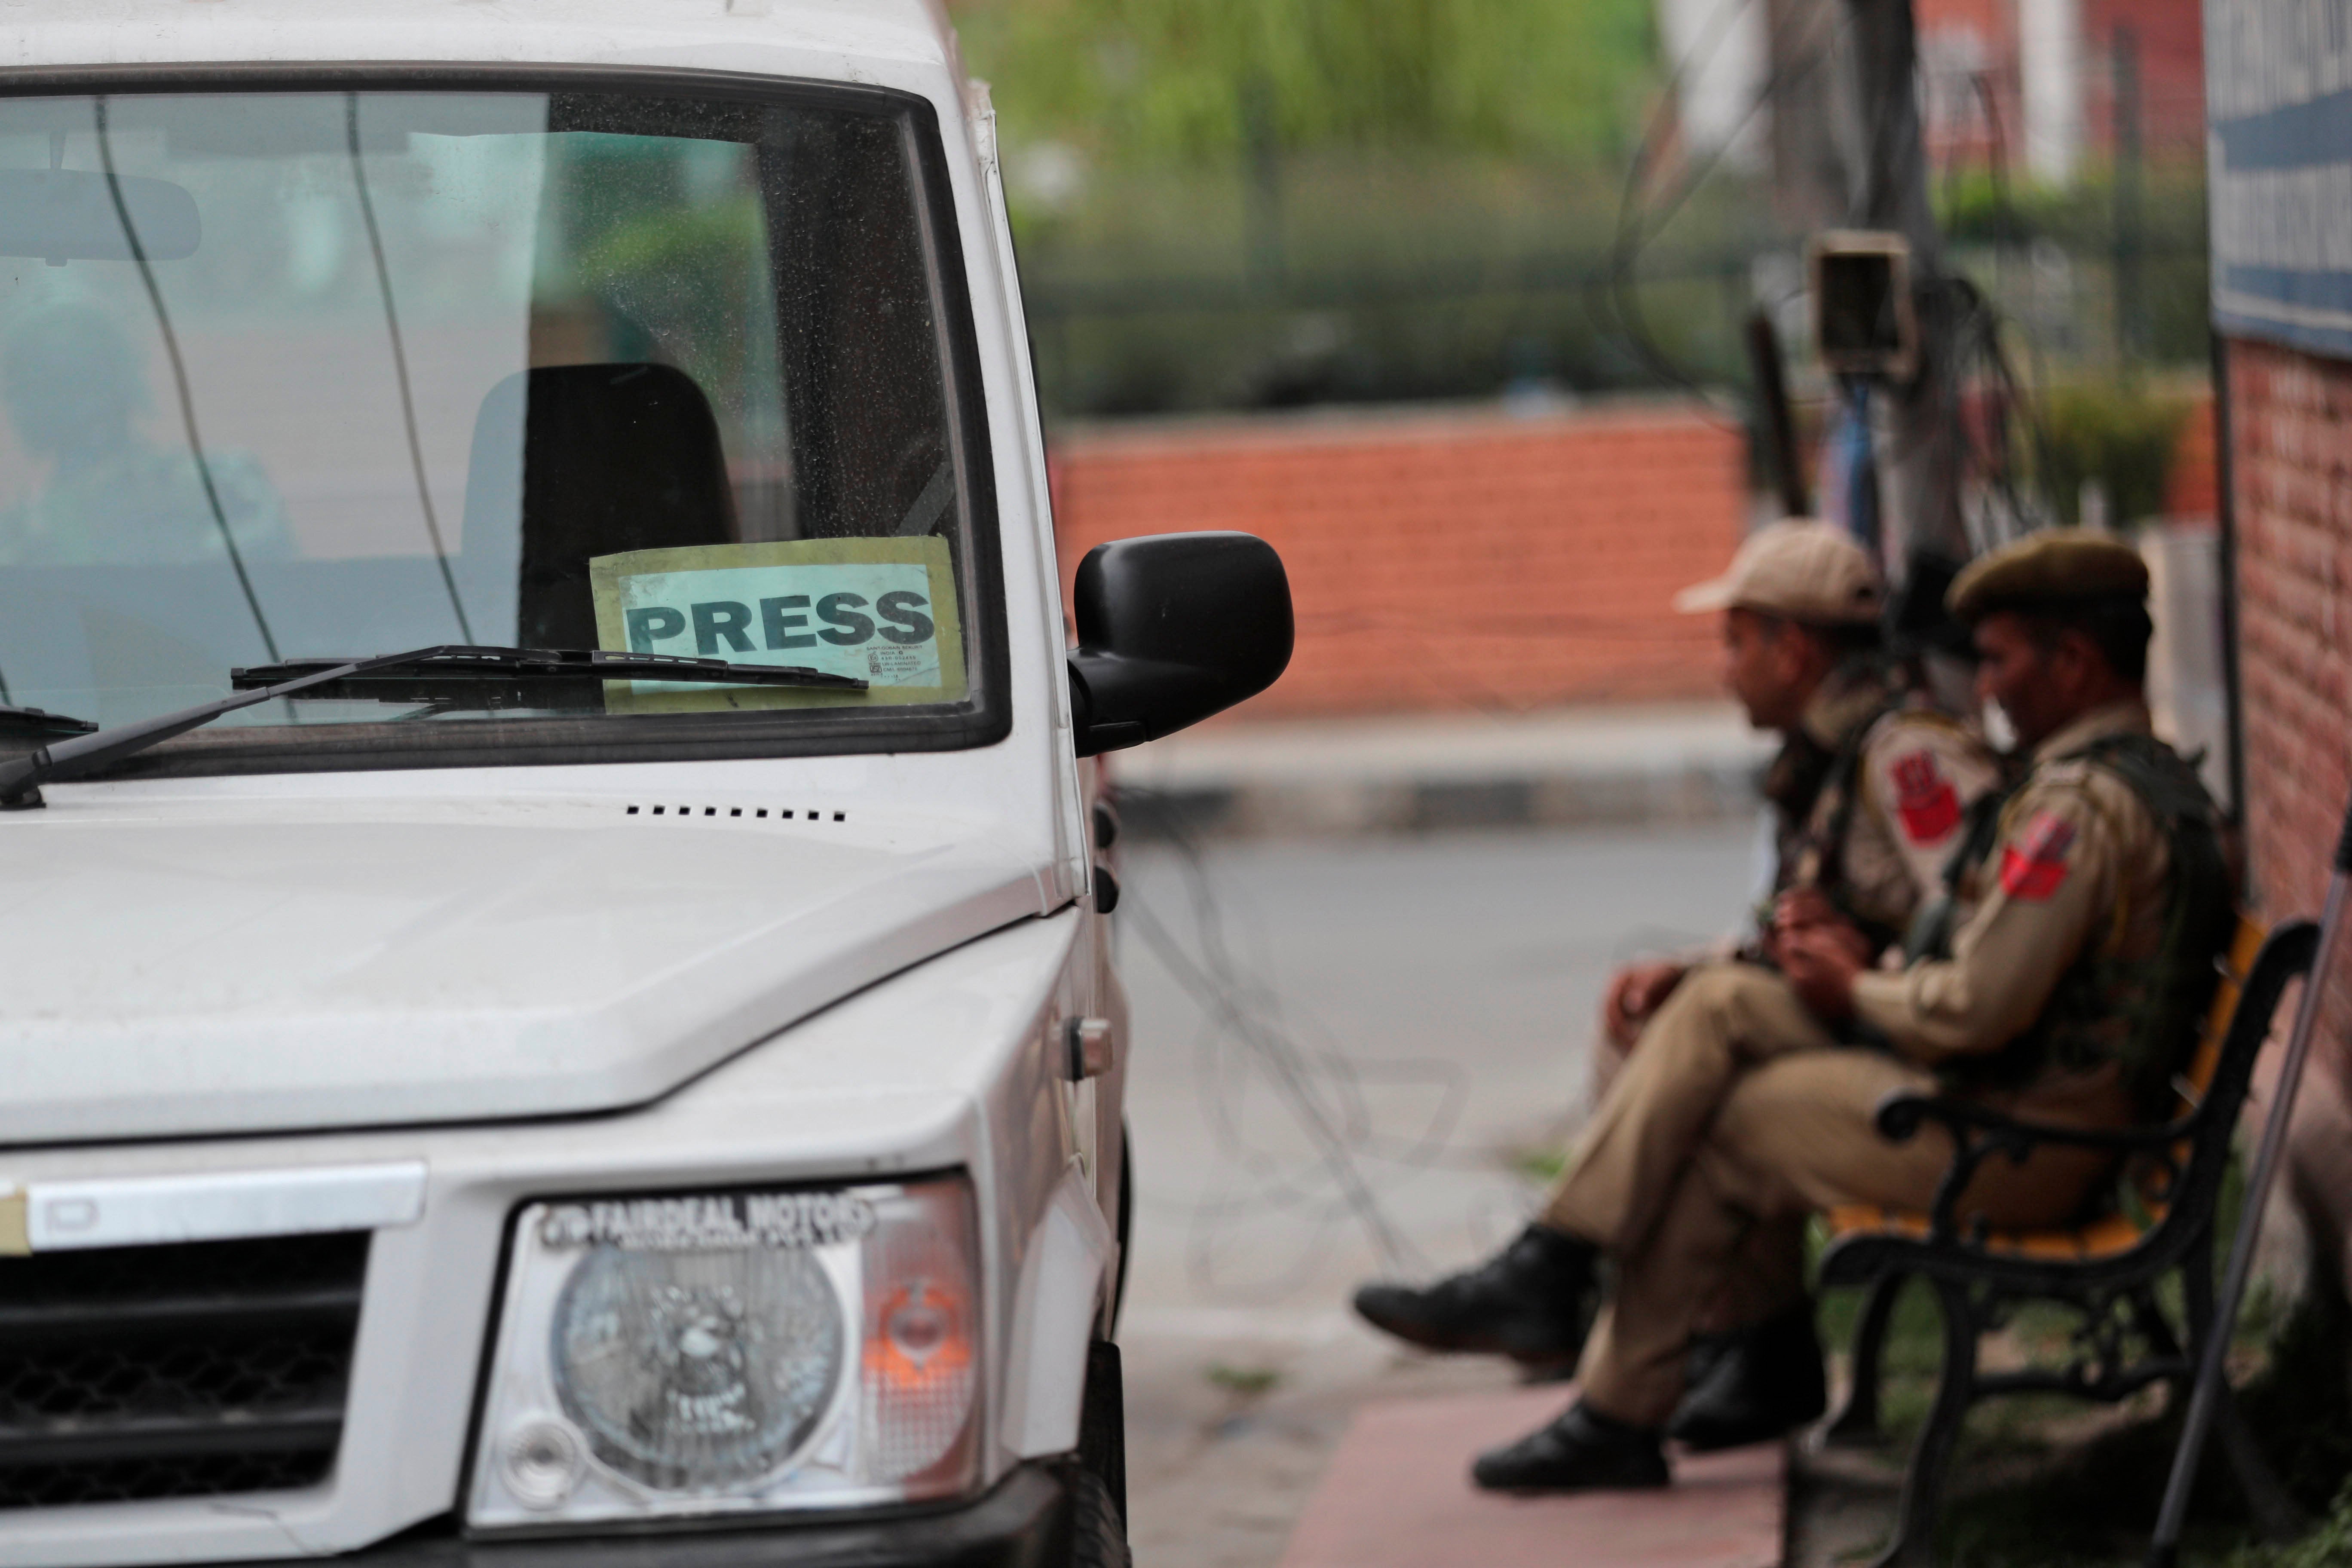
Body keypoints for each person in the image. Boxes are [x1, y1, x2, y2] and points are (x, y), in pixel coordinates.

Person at [1355, 529, 2233, 1491]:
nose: (1981, 690)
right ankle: (1575, 1297)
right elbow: (1980, 949)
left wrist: (1855, 984)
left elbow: (1978, 1002)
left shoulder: (2075, 805)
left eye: (1999, 660)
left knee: (1727, 1113)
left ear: (2073, 662)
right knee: (1715, 1010)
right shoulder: (2111, 783)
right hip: (2031, 1106)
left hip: (2026, 1137)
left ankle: (1597, 1350)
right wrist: (1845, 960)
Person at [1359, 518, 1999, 1451]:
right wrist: (1698, 965)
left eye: (1737, 641)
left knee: (1713, 1023)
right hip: (1864, 1030)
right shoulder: (1830, 758)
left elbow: (1980, 930)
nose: (1724, 667)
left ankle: (1559, 1267)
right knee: (1658, 1008)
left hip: (1916, 1049)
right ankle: (1755, 1342)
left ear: (1797, 646)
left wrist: (1869, 978)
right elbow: (1813, 921)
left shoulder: (1908, 758)